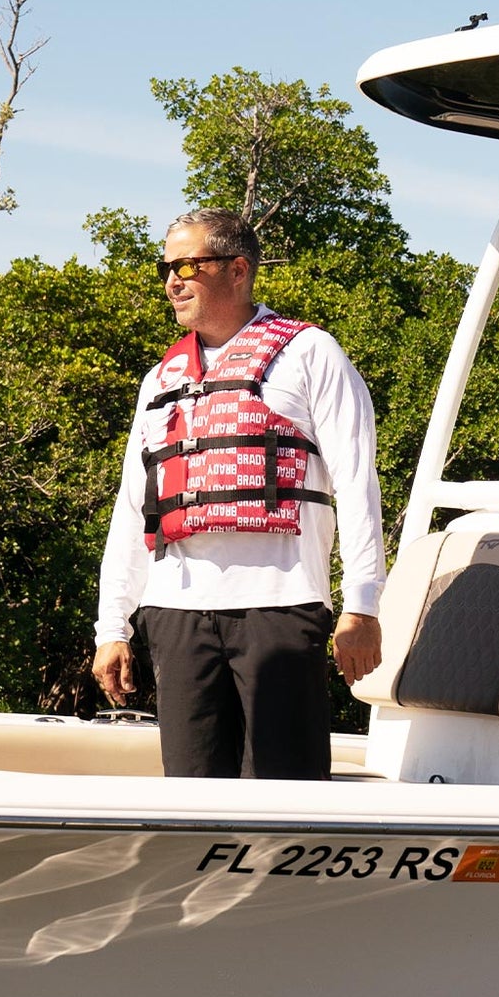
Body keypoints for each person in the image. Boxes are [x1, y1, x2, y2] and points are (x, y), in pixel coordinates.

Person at [92, 208, 386, 779]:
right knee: (190, 797)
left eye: (188, 265)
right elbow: (133, 508)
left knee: (286, 794)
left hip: (278, 606)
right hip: (175, 613)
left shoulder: (310, 353)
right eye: (166, 267)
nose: (172, 280)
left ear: (237, 270)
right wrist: (113, 628)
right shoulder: (161, 380)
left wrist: (362, 605)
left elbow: (357, 483)